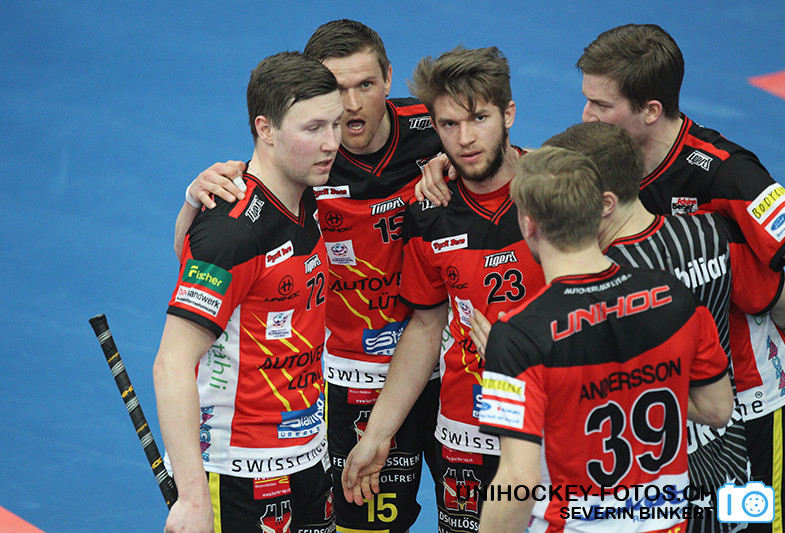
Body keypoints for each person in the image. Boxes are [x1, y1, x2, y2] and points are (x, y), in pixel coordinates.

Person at [172, 20, 443, 533]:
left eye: (366, 85)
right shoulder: (296, 168)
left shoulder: (438, 130)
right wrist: (194, 199)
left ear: (389, 78)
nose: (351, 109)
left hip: (441, 363)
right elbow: (213, 250)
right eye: (334, 95)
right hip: (344, 386)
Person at [576, 24, 785, 533]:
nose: (587, 116)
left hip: (747, 407)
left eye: (602, 105)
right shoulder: (601, 163)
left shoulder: (731, 176)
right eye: (587, 100)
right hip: (659, 410)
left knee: (752, 525)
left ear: (651, 110)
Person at [341, 46, 546, 533]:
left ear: (509, 114)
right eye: (449, 124)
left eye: (479, 118)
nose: (465, 139)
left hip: (549, 428)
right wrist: (377, 435)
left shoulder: (554, 193)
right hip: (466, 436)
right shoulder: (430, 212)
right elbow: (426, 325)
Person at [477, 145, 734, 533]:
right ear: (599, 210)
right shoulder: (674, 295)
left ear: (528, 225)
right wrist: (631, 382)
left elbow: (518, 481)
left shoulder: (518, 336)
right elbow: (717, 409)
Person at [152, 51, 341, 533]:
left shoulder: (307, 191)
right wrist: (193, 499)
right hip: (236, 475)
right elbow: (171, 364)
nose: (332, 143)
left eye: (336, 124)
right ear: (266, 129)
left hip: (308, 457)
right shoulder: (231, 233)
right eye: (314, 128)